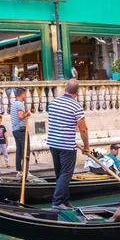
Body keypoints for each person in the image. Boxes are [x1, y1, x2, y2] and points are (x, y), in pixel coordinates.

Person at [47, 79, 90, 210]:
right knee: (66, 174)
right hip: (66, 146)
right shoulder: (76, 106)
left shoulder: (53, 103)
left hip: (53, 143)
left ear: (65, 89)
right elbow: (83, 129)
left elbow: (57, 121)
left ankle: (64, 202)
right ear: (77, 92)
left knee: (60, 174)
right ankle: (57, 201)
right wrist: (86, 146)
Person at [10, 88, 32, 177]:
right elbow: (20, 116)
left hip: (15, 130)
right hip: (22, 129)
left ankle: (19, 171)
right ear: (22, 95)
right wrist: (27, 114)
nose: (25, 96)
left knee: (19, 150)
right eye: (25, 94)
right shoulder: (19, 104)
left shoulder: (13, 104)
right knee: (26, 151)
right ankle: (25, 171)